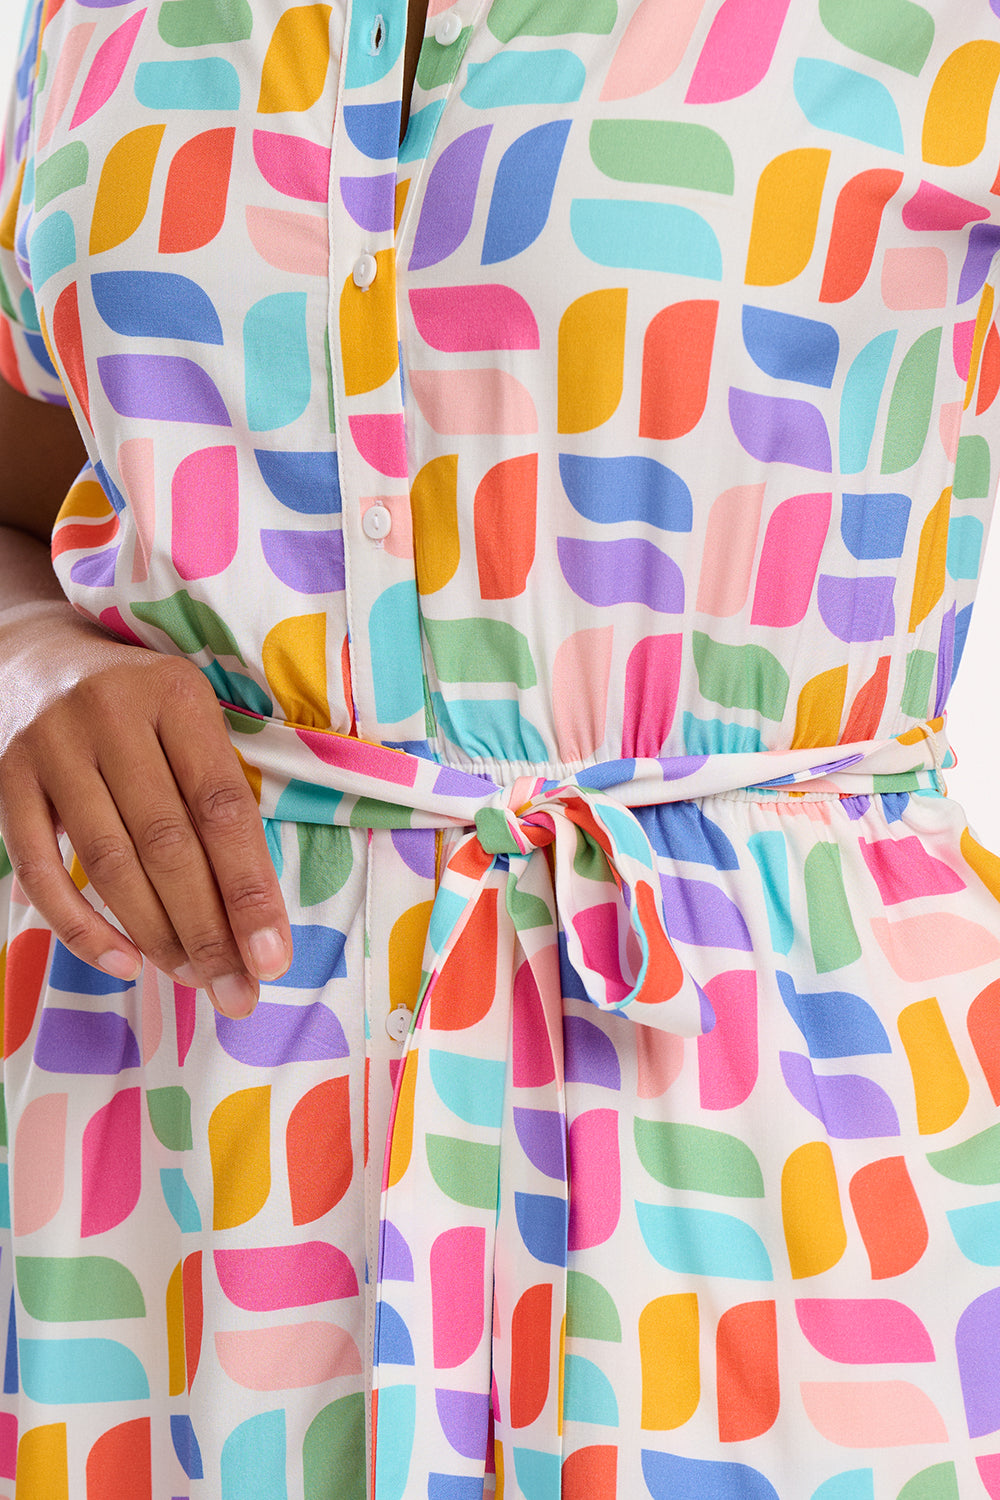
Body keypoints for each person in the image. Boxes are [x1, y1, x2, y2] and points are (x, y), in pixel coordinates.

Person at [1, 0, 1000, 1494]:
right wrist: (34, 662)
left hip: (774, 1145)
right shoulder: (99, 24)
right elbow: (31, 476)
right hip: (170, 1159)